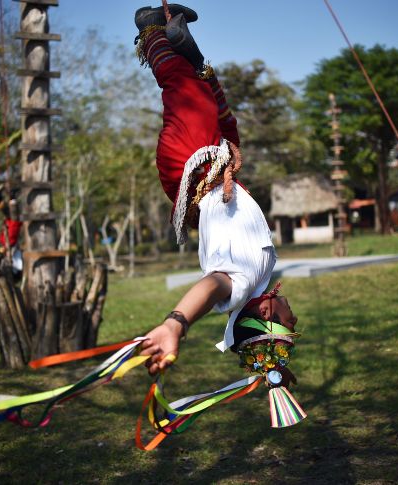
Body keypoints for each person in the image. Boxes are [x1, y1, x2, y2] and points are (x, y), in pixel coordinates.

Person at [132, 5, 298, 375]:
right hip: (206, 166)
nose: (296, 317)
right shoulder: (258, 280)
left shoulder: (240, 284)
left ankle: (152, 29)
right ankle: (190, 52)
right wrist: (273, 371)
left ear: (267, 313)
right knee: (227, 124)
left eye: (292, 324)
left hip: (193, 164)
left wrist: (177, 322)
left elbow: (213, 285)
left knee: (185, 89)